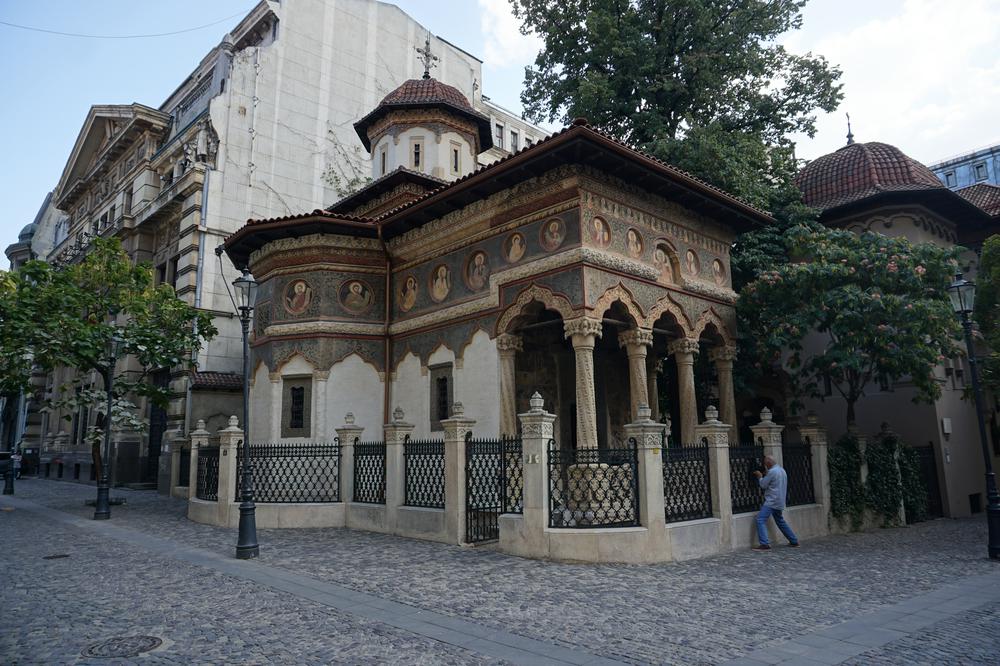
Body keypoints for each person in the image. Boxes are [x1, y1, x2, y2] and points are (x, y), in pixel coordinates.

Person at [752, 455, 799, 551]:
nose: (765, 465)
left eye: (765, 463)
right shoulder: (782, 470)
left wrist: (760, 476)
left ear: (768, 463)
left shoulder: (772, 472)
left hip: (772, 501)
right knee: (780, 521)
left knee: (760, 519)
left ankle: (764, 544)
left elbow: (763, 485)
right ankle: (794, 540)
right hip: (780, 500)